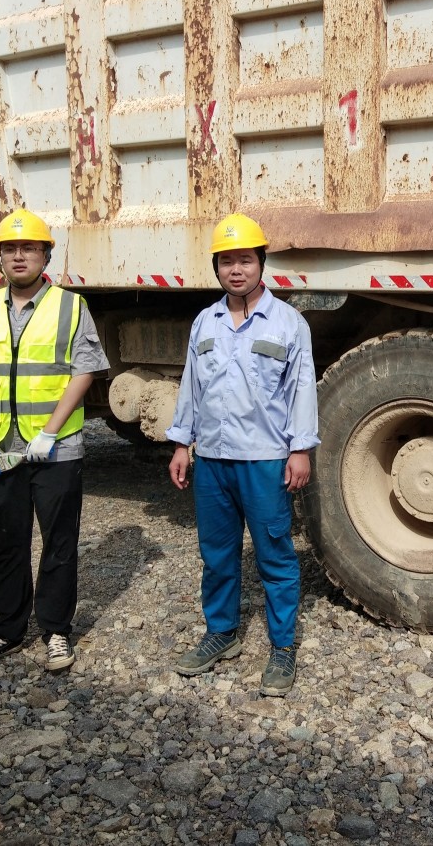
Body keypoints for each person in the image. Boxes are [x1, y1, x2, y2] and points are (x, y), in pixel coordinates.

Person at [166, 213, 319, 696]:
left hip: (264, 459)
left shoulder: (289, 323)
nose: (237, 270)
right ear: (216, 267)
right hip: (212, 460)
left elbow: (302, 390)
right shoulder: (204, 322)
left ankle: (283, 646)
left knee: (275, 554)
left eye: (246, 260)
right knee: (217, 554)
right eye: (227, 261)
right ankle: (222, 633)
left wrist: (300, 449)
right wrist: (181, 444)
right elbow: (191, 386)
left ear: (261, 264)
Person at [0, 209, 110, 671]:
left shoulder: (70, 305)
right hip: (3, 448)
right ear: (0, 257)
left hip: (56, 447)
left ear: (46, 254)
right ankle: (8, 627)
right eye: (9, 248)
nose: (18, 256)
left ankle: (56, 630)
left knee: (59, 543)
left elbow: (85, 370)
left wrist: (48, 432)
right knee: (7, 540)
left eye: (28, 248)